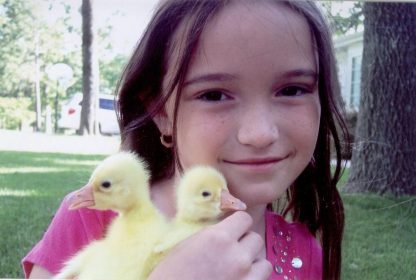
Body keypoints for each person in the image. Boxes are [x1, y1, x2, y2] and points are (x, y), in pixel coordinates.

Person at [23, 0, 348, 279]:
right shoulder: (94, 216)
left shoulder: (307, 255)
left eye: (292, 90)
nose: (260, 133)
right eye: (214, 95)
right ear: (161, 112)